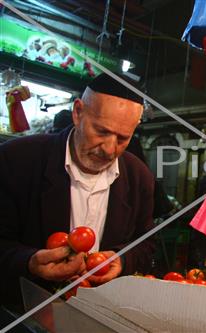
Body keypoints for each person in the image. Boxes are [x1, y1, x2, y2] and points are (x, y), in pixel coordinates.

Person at [0, 73, 155, 311]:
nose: (109, 149)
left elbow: (145, 245)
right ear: (78, 112)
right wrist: (29, 262)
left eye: (123, 138)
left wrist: (121, 261)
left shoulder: (139, 176)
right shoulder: (16, 160)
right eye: (101, 131)